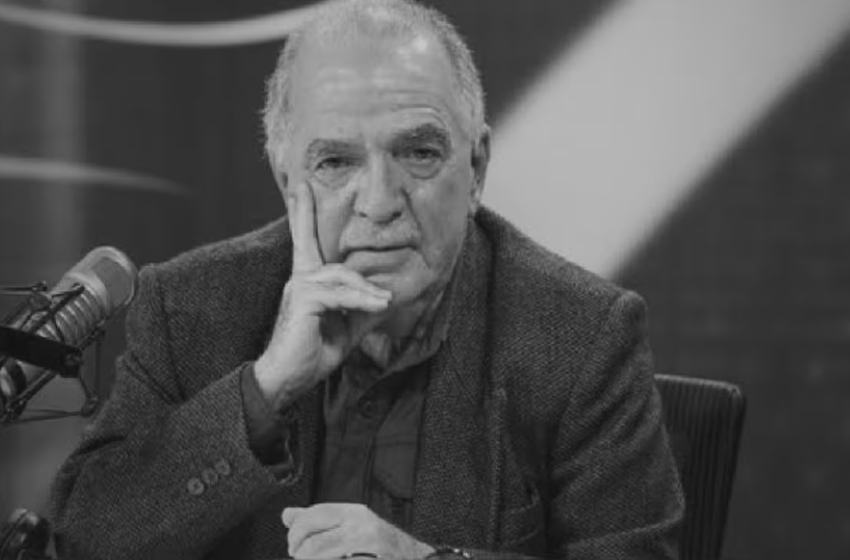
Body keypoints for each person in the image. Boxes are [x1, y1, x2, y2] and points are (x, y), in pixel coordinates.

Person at [49, 0, 684, 558]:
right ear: (287, 181)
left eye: (419, 153)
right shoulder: (188, 308)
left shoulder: (581, 336)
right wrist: (266, 389)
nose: (379, 202)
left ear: (477, 168)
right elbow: (85, 543)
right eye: (335, 162)